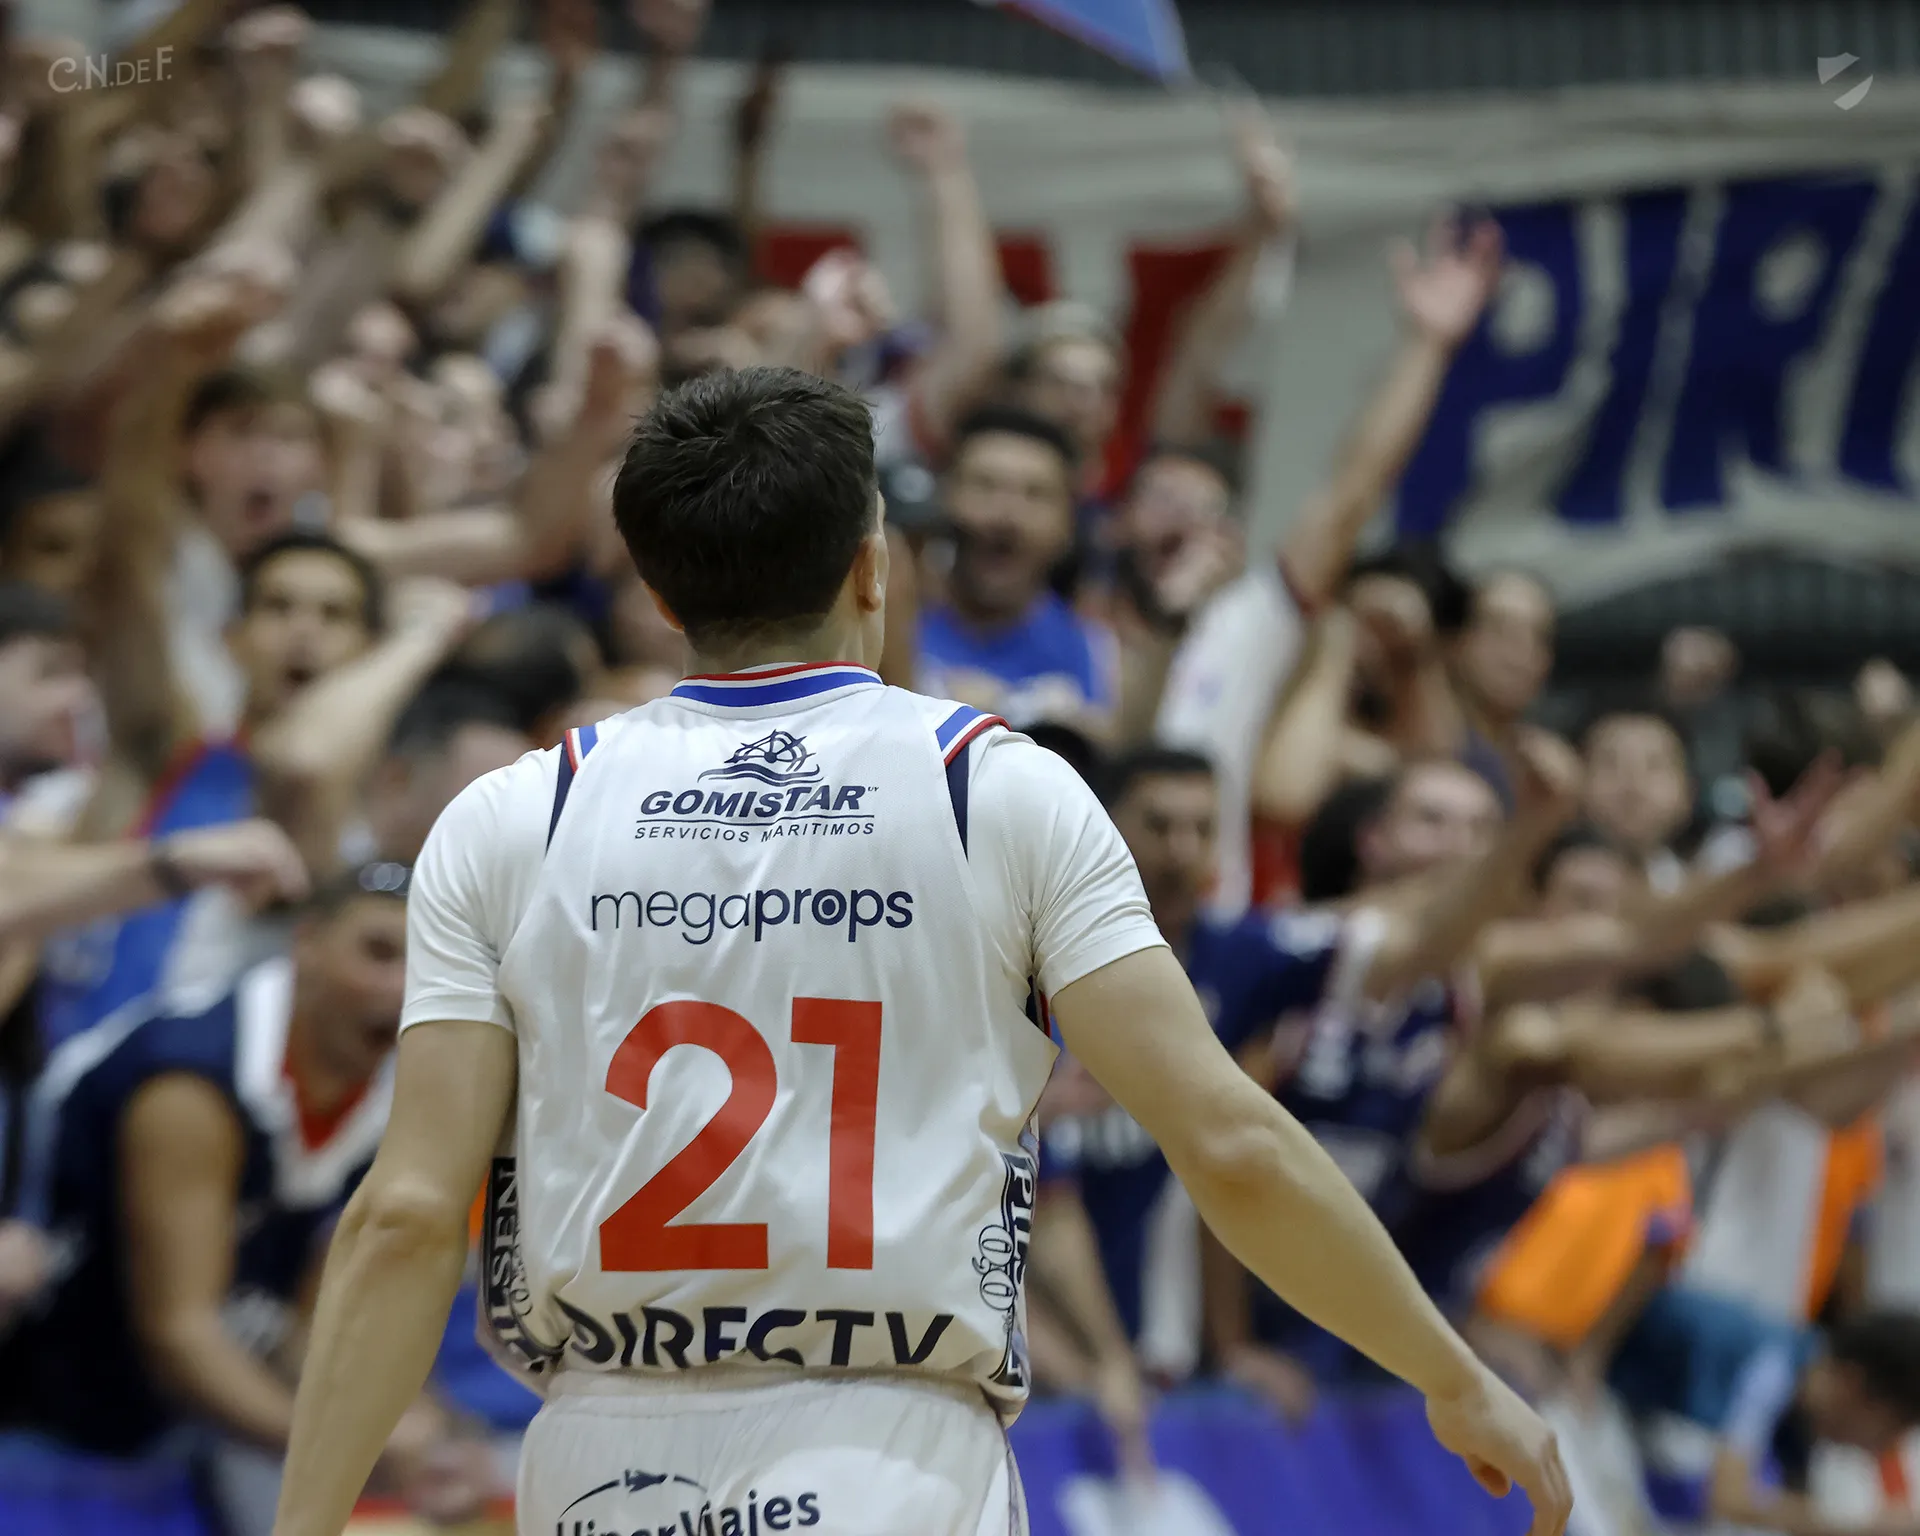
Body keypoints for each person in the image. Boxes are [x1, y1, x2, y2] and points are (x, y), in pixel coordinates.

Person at [268, 367, 1571, 1536]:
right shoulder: (997, 790)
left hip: (600, 1456)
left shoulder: (511, 816)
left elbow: (408, 1217)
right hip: (889, 1448)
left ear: (658, 593)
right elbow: (1227, 1141)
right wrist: (1450, 1377)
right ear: (874, 566)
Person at [0, 864, 484, 1535]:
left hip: (166, 1447)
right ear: (306, 944)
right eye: (379, 953)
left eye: (431, 965)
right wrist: (344, 1449)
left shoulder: (388, 1099)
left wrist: (423, 1428)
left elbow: (311, 1323)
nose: (402, 987)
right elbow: (180, 1333)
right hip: (41, 1438)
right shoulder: (191, 1082)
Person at [917, 405, 1119, 739]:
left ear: (1069, 524)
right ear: (945, 496)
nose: (1007, 515)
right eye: (986, 485)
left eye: (1035, 493)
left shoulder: (1095, 653)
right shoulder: (883, 622)